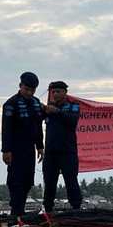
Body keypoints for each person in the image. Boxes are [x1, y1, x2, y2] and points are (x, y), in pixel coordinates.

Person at [1, 72, 45, 216]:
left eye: (32, 90)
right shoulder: (11, 104)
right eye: (26, 89)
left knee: (28, 179)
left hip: (30, 147)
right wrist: (6, 150)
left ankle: (21, 206)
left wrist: (40, 145)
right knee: (15, 178)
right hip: (15, 147)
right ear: (20, 86)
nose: (29, 92)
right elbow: (6, 128)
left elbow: (38, 125)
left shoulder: (36, 102)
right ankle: (16, 208)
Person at [41, 81, 83, 212]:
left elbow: (72, 120)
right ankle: (48, 207)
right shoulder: (50, 107)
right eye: (53, 92)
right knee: (49, 180)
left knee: (70, 179)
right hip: (51, 150)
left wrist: (57, 112)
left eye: (58, 91)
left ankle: (76, 206)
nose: (55, 94)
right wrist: (42, 109)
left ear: (65, 92)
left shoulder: (73, 106)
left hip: (67, 150)